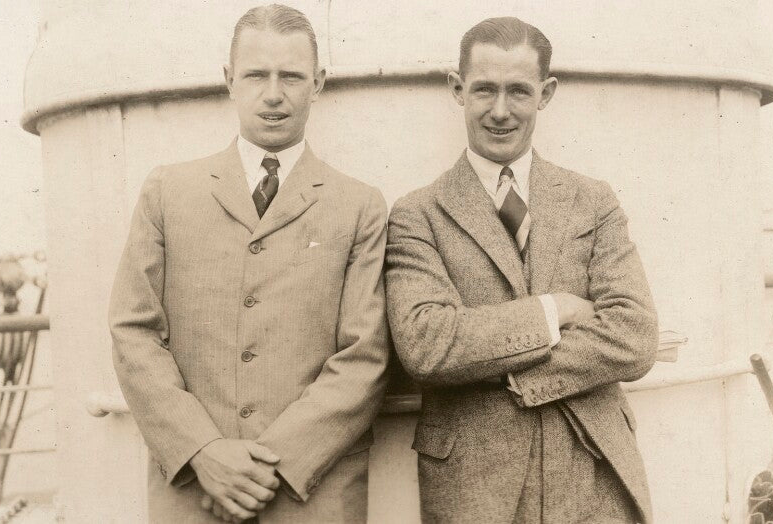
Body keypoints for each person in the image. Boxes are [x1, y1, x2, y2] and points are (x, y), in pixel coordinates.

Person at [109, 5, 390, 523]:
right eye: (257, 75)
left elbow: (365, 356)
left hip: (313, 491)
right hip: (194, 489)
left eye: (292, 76)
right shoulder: (168, 191)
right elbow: (133, 332)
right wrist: (203, 451)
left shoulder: (360, 206)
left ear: (318, 83)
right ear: (229, 80)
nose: (274, 94)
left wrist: (264, 467)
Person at [385, 16, 658, 523]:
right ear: (457, 89)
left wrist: (501, 366)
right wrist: (555, 311)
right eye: (484, 90)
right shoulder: (417, 213)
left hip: (594, 467)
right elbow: (427, 345)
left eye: (519, 91)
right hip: (475, 483)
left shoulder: (591, 200)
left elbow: (635, 335)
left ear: (545, 93)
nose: (500, 111)